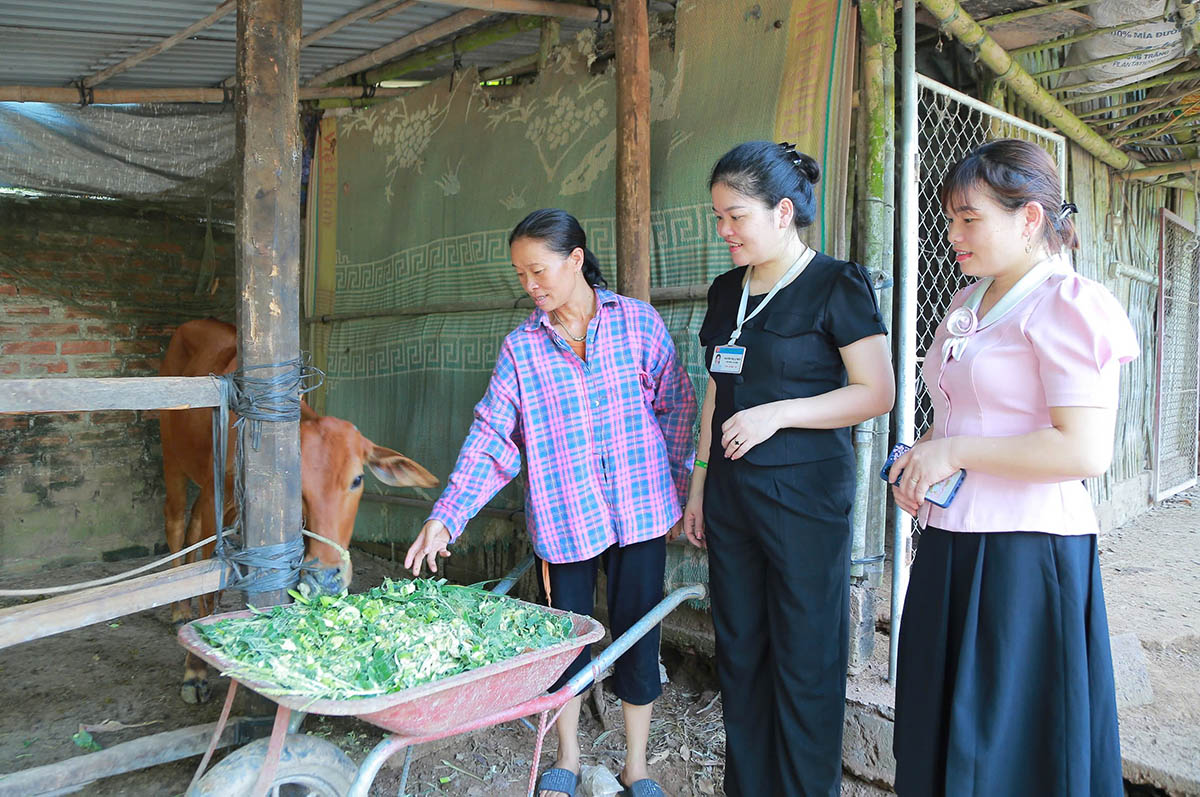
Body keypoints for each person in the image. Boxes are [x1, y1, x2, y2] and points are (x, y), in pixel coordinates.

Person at [404, 208, 697, 797]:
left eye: (539, 271)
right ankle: (566, 756)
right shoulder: (521, 350)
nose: (531, 286)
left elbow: (678, 407)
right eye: (521, 276)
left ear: (576, 260)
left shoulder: (637, 325)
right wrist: (446, 516)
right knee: (565, 641)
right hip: (566, 522)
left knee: (640, 635)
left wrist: (676, 492)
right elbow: (493, 438)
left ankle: (636, 768)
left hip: (641, 513)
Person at [889, 139, 1137, 797]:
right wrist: (923, 459)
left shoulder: (1068, 303)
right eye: (950, 219)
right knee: (939, 729)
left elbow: (1083, 450)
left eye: (970, 218)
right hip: (950, 542)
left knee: (1013, 746)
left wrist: (956, 452)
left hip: (1026, 553)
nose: (953, 234)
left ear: (1029, 218)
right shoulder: (969, 304)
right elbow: (963, 418)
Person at [682, 141, 895, 796]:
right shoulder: (727, 292)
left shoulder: (836, 283)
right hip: (732, 497)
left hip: (805, 498)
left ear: (781, 212)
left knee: (806, 658)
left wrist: (779, 413)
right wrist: (698, 482)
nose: (724, 230)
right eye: (718, 217)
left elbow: (876, 391)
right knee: (741, 652)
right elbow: (717, 388)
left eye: (735, 216)